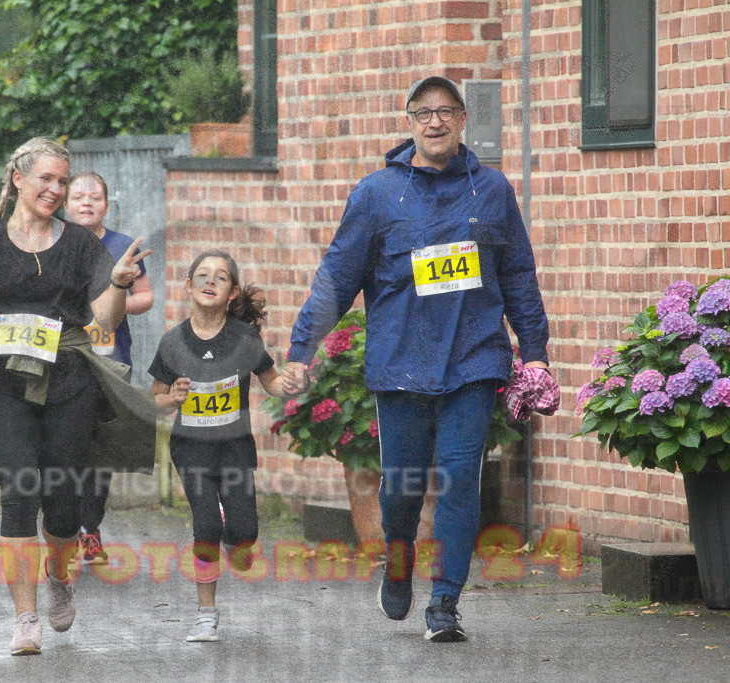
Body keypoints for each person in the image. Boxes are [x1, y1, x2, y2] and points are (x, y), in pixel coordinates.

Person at [282, 76, 550, 642]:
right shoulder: (378, 194)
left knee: (459, 481)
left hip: (474, 361)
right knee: (400, 489)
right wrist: (302, 350)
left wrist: (537, 353)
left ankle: (446, 604)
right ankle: (398, 559)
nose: (435, 122)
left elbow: (519, 276)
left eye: (446, 112)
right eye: (423, 112)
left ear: (461, 121)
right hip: (400, 364)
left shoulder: (493, 190)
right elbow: (337, 277)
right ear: (408, 121)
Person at [0, 139, 154, 656]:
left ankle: (59, 575)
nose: (55, 190)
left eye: (62, 182)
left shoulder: (81, 246)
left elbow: (106, 321)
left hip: (70, 379)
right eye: (46, 179)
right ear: (19, 179)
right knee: (20, 494)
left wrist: (115, 283)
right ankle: (25, 617)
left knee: (62, 504)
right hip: (4, 380)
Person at [150, 249, 300, 643]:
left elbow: (271, 380)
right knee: (206, 524)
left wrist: (292, 385)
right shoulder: (173, 343)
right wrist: (174, 398)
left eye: (220, 277)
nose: (209, 281)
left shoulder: (244, 339)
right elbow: (156, 401)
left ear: (232, 292)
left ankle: (237, 542)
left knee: (245, 531)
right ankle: (205, 614)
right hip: (191, 448)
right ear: (188, 285)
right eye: (201, 275)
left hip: (234, 447)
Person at [64, 171, 154, 564]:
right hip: (63, 357)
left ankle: (90, 529)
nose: (86, 203)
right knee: (64, 446)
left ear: (106, 203)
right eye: (79, 197)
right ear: (66, 203)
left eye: (94, 197)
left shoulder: (123, 246)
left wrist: (109, 307)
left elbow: (146, 297)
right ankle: (63, 527)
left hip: (112, 361)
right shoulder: (53, 242)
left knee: (99, 449)